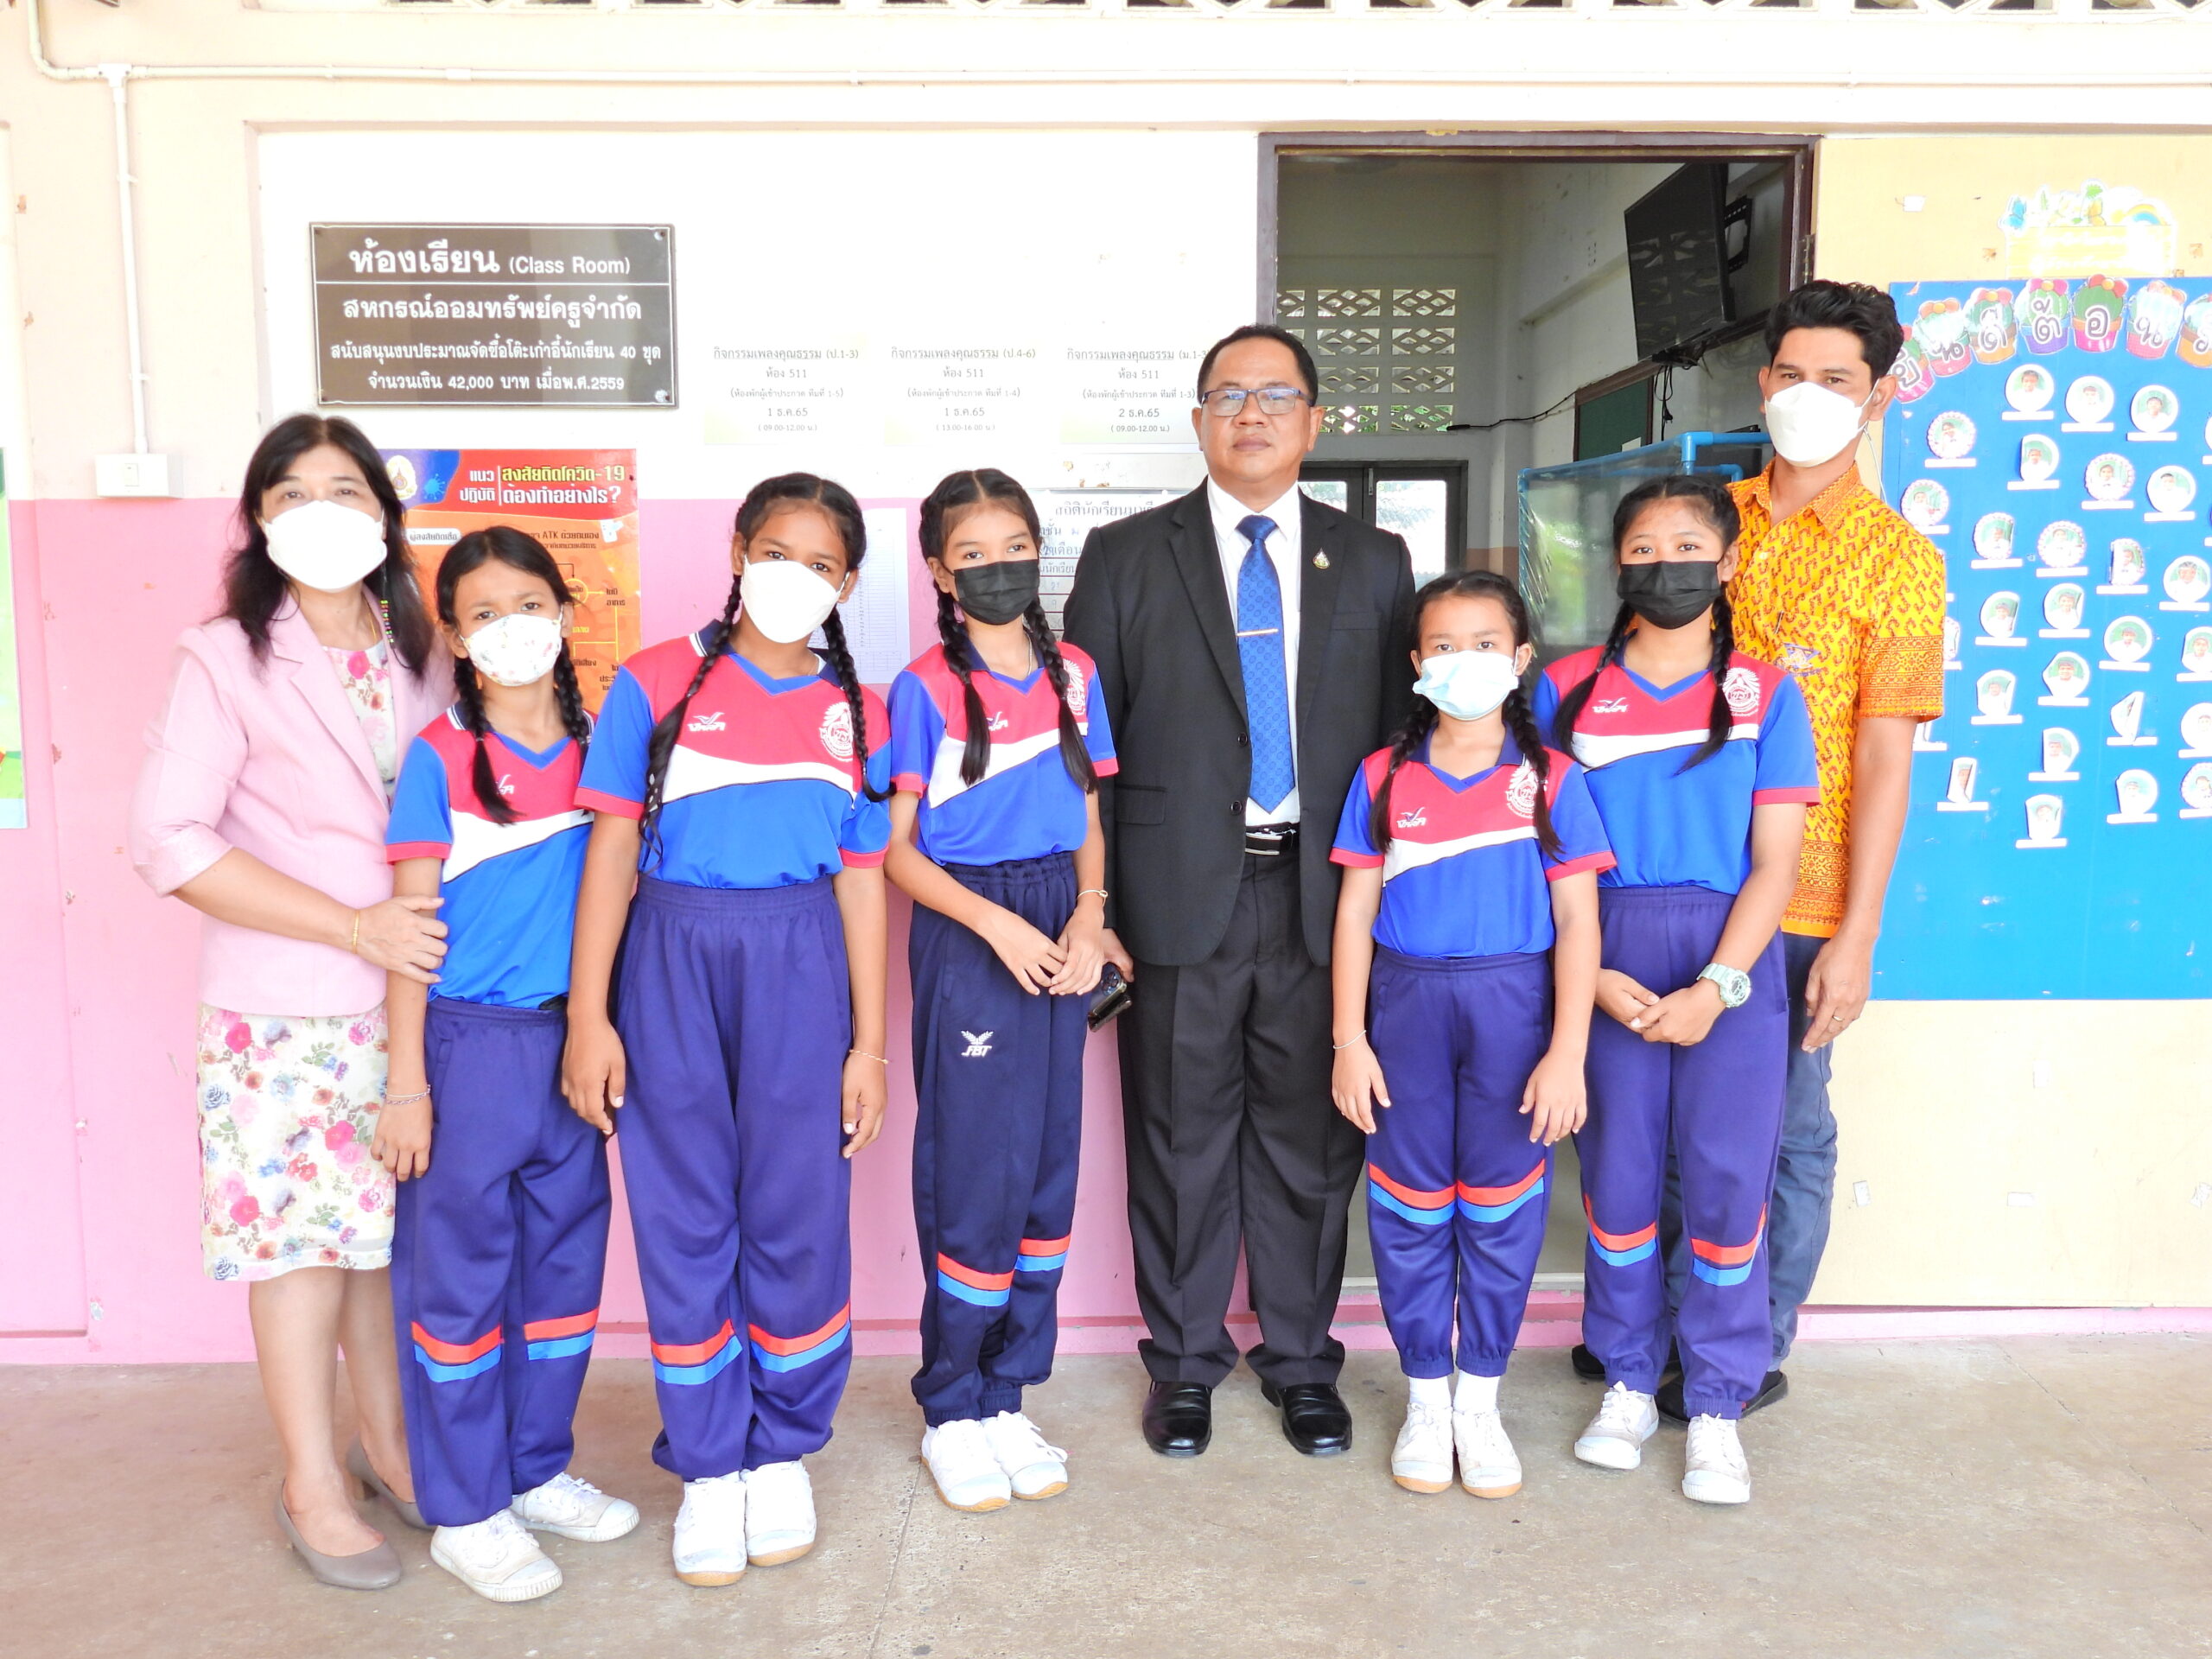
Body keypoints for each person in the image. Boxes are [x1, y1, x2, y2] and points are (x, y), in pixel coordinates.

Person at [1064, 324, 1417, 1459]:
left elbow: (1400, 742)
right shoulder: (1125, 555)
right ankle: (1183, 1365)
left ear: (1313, 420)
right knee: (1179, 1140)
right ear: (1198, 419)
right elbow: (1086, 751)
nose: (1250, 414)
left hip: (1324, 898)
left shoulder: (1374, 561)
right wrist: (1098, 906)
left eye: (1274, 395)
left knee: (1310, 1143)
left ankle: (1303, 1363)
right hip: (1175, 897)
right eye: (1227, 395)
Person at [127, 413, 453, 1588]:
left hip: (418, 1000)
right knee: (304, 1249)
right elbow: (166, 839)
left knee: (381, 1245)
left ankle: (389, 1446)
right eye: (294, 493)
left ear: (386, 513)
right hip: (288, 1009)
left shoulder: (423, 648)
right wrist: (351, 926)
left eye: (347, 489)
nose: (324, 511)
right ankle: (311, 1480)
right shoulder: (225, 657)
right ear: (260, 519)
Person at [563, 474, 891, 1588]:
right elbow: (610, 850)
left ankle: (782, 1448)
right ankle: (709, 1462)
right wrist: (590, 1015)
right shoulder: (655, 681)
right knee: (686, 1212)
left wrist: (868, 1045)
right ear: (739, 552)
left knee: (798, 1209)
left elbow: (861, 881)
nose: (795, 577)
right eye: (777, 552)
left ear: (848, 582)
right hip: (670, 957)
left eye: (821, 563)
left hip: (800, 961)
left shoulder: (859, 709)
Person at [1536, 474, 1817, 1506]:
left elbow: (1775, 866)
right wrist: (1590, 977)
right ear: (1617, 565)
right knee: (1615, 1181)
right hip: (1601, 943)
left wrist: (1719, 985)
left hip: (1727, 955)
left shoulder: (1765, 694)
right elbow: (1540, 846)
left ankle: (1715, 1404)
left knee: (1728, 1185)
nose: (1667, 565)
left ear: (1729, 561)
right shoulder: (1564, 690)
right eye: (1644, 549)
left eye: (1689, 546)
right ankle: (1623, 1378)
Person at [376, 528, 638, 1602]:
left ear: (565, 614)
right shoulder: (437, 757)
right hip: (469, 1047)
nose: (511, 629)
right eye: (483, 614)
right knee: (459, 1285)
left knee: (564, 1276)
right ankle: (464, 1506)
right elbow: (410, 932)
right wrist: (407, 1084)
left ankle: (535, 1471)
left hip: (574, 1041)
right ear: (455, 637)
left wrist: (598, 1024)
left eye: (528, 605)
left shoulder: (606, 747)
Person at [1709, 280, 1945, 1417]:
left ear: (1877, 396)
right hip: (1689, 885)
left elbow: (1889, 761)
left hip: (1806, 906)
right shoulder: (1707, 521)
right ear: (1765, 383)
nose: (1809, 396)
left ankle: (1754, 1345)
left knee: (1788, 1129)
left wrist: (1858, 937)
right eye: (1792, 374)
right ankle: (1673, 1325)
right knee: (1682, 1126)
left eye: (1837, 380)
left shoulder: (1899, 561)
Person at [1327, 571, 1611, 1499]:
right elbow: (1353, 913)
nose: (1464, 662)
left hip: (1514, 1011)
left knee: (1500, 1208)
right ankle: (1424, 1396)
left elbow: (1578, 922)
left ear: (1521, 658)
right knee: (1409, 1209)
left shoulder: (1551, 780)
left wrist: (1567, 1051)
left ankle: (1479, 1400)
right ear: (1417, 663)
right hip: (1405, 1009)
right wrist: (1348, 1041)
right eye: (1444, 646)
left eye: (1485, 644)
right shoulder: (1383, 776)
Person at [884, 469, 1121, 1513]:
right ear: (940, 573)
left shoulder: (1075, 673)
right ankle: (952, 1404)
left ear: (1039, 553)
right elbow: (896, 852)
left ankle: (1008, 1393)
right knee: (975, 1167)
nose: (996, 568)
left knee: (1047, 1165)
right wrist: (994, 925)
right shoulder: (922, 687)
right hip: (970, 924)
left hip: (1060, 919)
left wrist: (1089, 913)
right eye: (971, 555)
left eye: (1013, 547)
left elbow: (1087, 814)